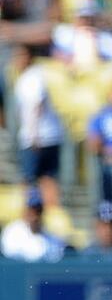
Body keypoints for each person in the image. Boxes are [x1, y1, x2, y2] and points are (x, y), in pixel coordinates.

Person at [11, 44, 63, 208]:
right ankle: (51, 214)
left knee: (32, 178)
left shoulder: (31, 77)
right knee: (47, 177)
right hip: (49, 135)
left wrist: (33, 134)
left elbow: (36, 105)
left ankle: (36, 212)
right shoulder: (35, 75)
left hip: (38, 137)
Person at [1, 188, 66, 262]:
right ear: (25, 210)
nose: (35, 215)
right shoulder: (12, 230)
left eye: (38, 211)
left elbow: (56, 255)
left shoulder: (47, 233)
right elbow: (10, 255)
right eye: (32, 209)